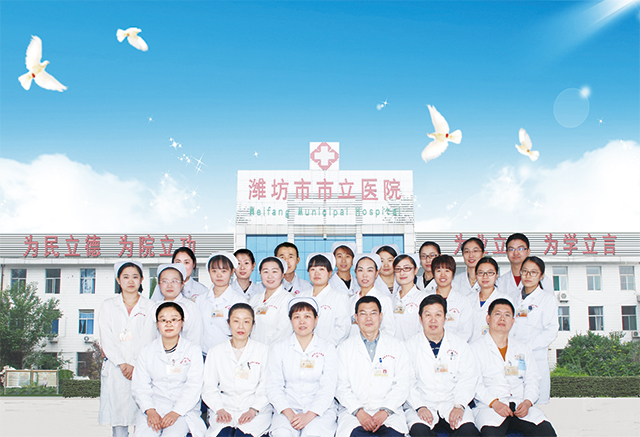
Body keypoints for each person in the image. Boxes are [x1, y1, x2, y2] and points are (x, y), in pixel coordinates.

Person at [470, 299, 557, 437]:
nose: (502, 318)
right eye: (497, 314)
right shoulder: (474, 349)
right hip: (490, 407)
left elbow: (533, 379)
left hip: (521, 405)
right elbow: (473, 383)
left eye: (507, 315)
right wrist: (494, 403)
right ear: (488, 318)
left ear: (513, 321)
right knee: (491, 434)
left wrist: (528, 402)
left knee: (546, 432)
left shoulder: (523, 348)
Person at [404, 295, 480, 437]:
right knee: (419, 432)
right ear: (420, 318)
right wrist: (420, 406)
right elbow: (407, 381)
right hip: (423, 404)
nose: (433, 320)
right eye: (428, 315)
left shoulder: (459, 344)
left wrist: (459, 405)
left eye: (438, 315)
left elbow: (468, 378)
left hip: (452, 403)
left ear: (445, 317)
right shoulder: (409, 346)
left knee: (469, 432)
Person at [336, 296, 412, 437]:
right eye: (363, 314)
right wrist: (359, 412)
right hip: (354, 414)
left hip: (389, 413)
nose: (368, 318)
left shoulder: (396, 346)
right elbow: (340, 386)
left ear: (381, 316)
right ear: (356, 318)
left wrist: (385, 411)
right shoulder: (344, 348)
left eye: (373, 313)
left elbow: (402, 384)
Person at [99, 261, 156, 437]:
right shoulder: (108, 305)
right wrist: (122, 363)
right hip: (116, 368)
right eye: (125, 277)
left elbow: (148, 337)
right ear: (118, 280)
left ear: (141, 279)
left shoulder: (149, 306)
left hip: (140, 368)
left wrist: (133, 363)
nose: (130, 281)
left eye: (135, 277)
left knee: (142, 419)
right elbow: (106, 339)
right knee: (118, 420)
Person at [132, 302, 206, 437]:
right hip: (154, 408)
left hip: (183, 410)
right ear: (157, 324)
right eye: (163, 320)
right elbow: (140, 386)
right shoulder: (147, 351)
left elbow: (194, 386)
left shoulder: (192, 350)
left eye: (174, 319)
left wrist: (175, 412)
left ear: (182, 322)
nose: (168, 324)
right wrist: (150, 410)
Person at [267, 297, 339, 437]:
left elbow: (328, 387)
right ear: (290, 320)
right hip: (288, 409)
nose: (302, 322)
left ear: (316, 320)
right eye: (296, 317)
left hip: (319, 411)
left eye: (307, 316)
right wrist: (290, 414)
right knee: (282, 433)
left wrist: (309, 415)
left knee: (313, 433)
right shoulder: (279, 348)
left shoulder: (327, 348)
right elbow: (274, 386)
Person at [202, 303, 272, 437]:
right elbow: (209, 387)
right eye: (236, 321)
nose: (241, 327)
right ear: (228, 323)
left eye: (246, 321)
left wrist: (253, 409)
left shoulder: (263, 350)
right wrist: (219, 409)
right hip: (224, 408)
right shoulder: (215, 351)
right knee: (223, 434)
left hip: (254, 409)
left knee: (244, 434)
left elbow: (266, 386)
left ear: (253, 324)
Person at [510, 257, 558, 405]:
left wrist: (527, 347)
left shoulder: (547, 299)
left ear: (541, 276)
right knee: (512, 403)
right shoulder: (512, 298)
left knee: (535, 405)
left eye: (533, 272)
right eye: (525, 271)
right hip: (512, 357)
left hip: (535, 357)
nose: (528, 276)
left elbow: (551, 330)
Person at [196, 253, 248, 356]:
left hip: (229, 354)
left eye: (224, 271)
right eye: (214, 271)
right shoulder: (200, 299)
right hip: (203, 354)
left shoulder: (239, 300)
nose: (219, 275)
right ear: (209, 272)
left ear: (232, 271)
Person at [301, 253, 350, 345]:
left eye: (321, 269)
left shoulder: (339, 297)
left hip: (329, 348)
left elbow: (343, 329)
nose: (316, 273)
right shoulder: (300, 297)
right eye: (313, 269)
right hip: (303, 347)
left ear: (330, 273)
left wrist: (322, 345)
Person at [153, 263, 204, 352]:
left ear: (182, 283)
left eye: (174, 281)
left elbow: (195, 338)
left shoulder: (190, 307)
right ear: (159, 284)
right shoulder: (154, 307)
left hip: (185, 356)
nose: (169, 285)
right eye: (165, 281)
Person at [249, 257, 294, 345]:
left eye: (274, 271)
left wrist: (266, 349)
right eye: (265, 271)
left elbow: (284, 332)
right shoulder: (254, 299)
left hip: (275, 349)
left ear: (282, 275)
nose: (270, 276)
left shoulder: (288, 299)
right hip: (253, 349)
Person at [349, 254, 396, 338]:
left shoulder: (384, 299)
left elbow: (389, 330)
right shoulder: (350, 300)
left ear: (377, 273)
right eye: (360, 270)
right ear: (355, 272)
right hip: (353, 345)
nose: (365, 275)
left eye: (369, 270)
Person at [429, 255, 473, 343]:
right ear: (433, 274)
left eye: (447, 271)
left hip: (455, 347)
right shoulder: (425, 298)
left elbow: (465, 331)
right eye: (438, 271)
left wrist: (449, 346)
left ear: (453, 274)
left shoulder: (462, 301)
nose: (443, 275)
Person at [495, 234, 552, 300]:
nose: (516, 253)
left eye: (520, 249)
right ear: (507, 252)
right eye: (511, 249)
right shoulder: (499, 282)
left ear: (528, 251)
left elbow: (550, 302)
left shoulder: (544, 280)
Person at [467, 258, 511, 344]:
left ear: (496, 275)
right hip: (470, 347)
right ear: (476, 275)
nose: (485, 276)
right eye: (481, 273)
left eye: (490, 272)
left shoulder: (505, 300)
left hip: (495, 346)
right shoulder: (468, 299)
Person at [391, 254, 428, 341]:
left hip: (415, 346)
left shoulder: (423, 298)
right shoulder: (391, 299)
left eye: (407, 268)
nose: (402, 273)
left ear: (415, 270)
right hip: (393, 347)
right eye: (398, 269)